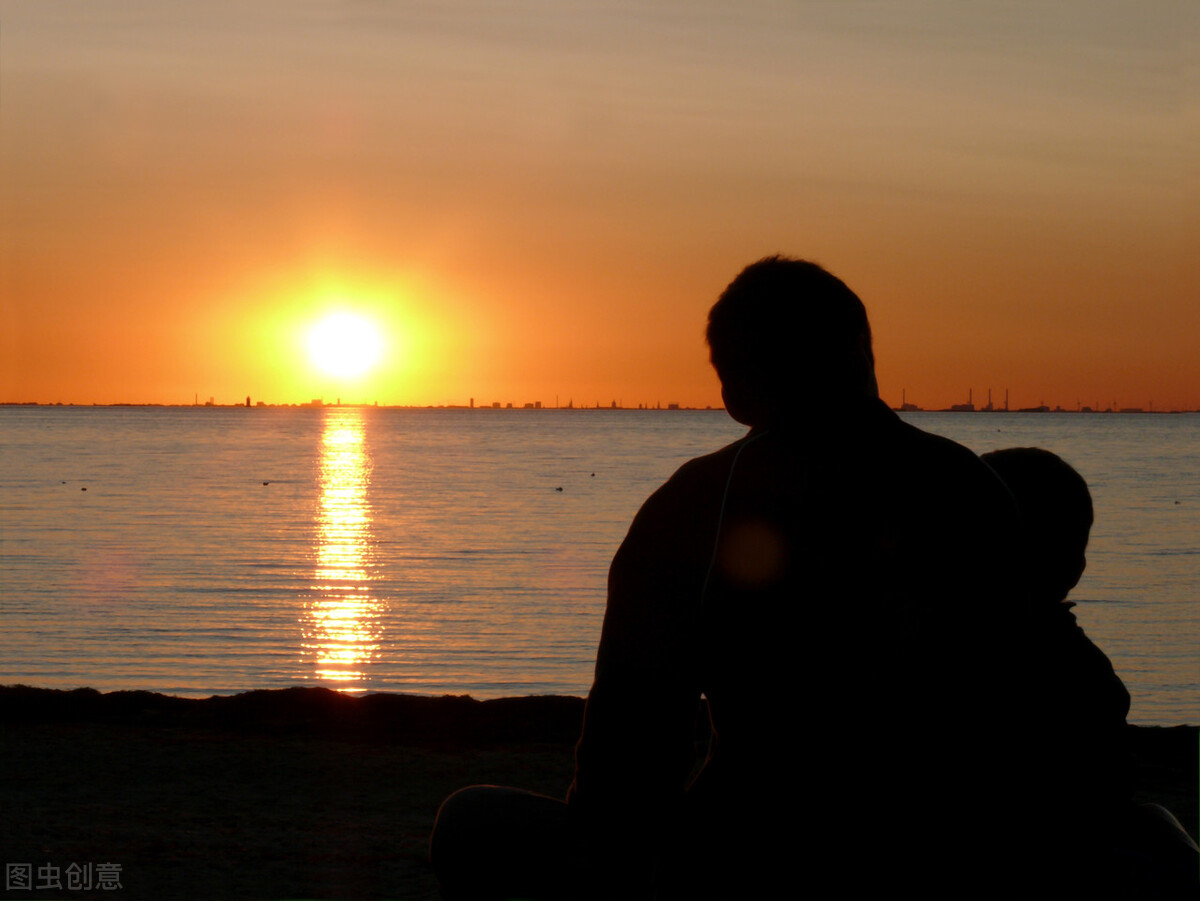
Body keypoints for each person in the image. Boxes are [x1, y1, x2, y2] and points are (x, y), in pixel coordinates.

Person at [432, 257, 1053, 899]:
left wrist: (614, 859)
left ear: (734, 393)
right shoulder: (970, 489)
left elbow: (635, 733)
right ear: (864, 358)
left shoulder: (694, 503)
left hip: (745, 858)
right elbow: (1012, 696)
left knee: (469, 821)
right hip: (950, 852)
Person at [983, 447, 1198, 897]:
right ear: (1076, 567)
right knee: (1157, 826)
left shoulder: (929, 648)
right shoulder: (1081, 672)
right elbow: (1107, 792)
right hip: (1069, 866)